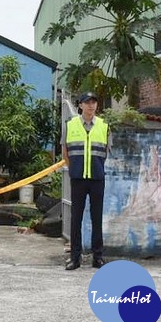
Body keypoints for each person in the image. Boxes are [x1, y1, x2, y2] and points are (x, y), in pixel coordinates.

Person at [62, 92, 109, 270]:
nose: (91, 106)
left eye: (94, 102)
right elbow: (65, 152)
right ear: (80, 105)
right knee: (76, 218)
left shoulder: (104, 126)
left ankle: (98, 257)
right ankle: (75, 258)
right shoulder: (71, 125)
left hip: (97, 178)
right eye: (87, 102)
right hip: (78, 178)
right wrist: (75, 169)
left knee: (96, 218)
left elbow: (106, 151)